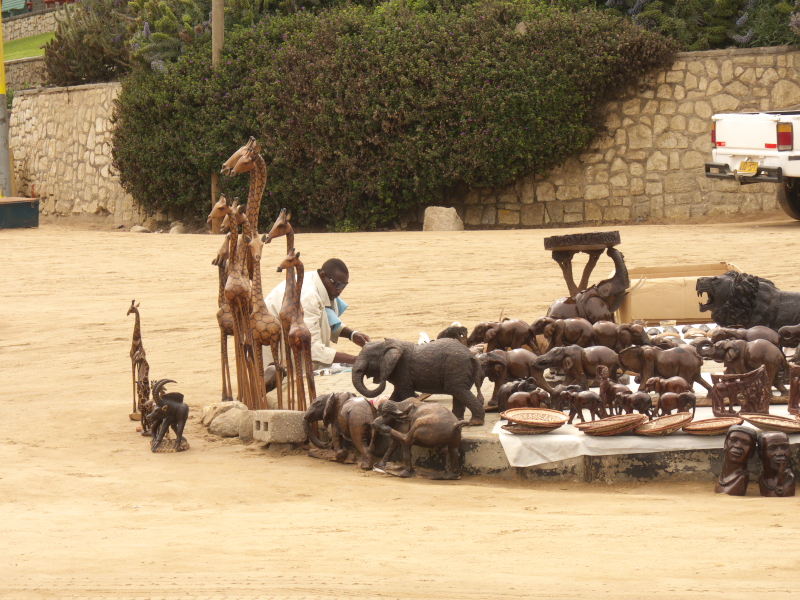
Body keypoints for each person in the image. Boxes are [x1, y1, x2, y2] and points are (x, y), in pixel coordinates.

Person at [265, 257, 371, 370]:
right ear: (323, 275)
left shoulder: (319, 283)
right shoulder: (308, 296)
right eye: (337, 285)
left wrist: (351, 334)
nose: (340, 290)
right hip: (277, 356)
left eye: (343, 286)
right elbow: (311, 348)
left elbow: (323, 319)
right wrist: (355, 360)